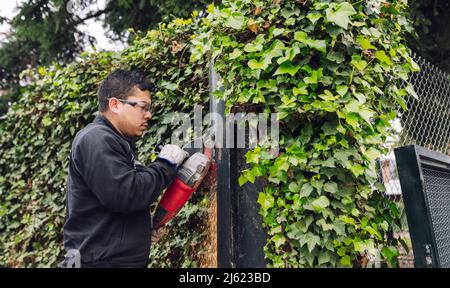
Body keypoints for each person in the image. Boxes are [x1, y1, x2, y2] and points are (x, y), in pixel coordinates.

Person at [60, 69, 188, 268]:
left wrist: (141, 230)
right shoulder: (96, 139)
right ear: (115, 105)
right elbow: (126, 194)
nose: (149, 115)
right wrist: (165, 165)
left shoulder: (117, 141)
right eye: (142, 107)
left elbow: (114, 201)